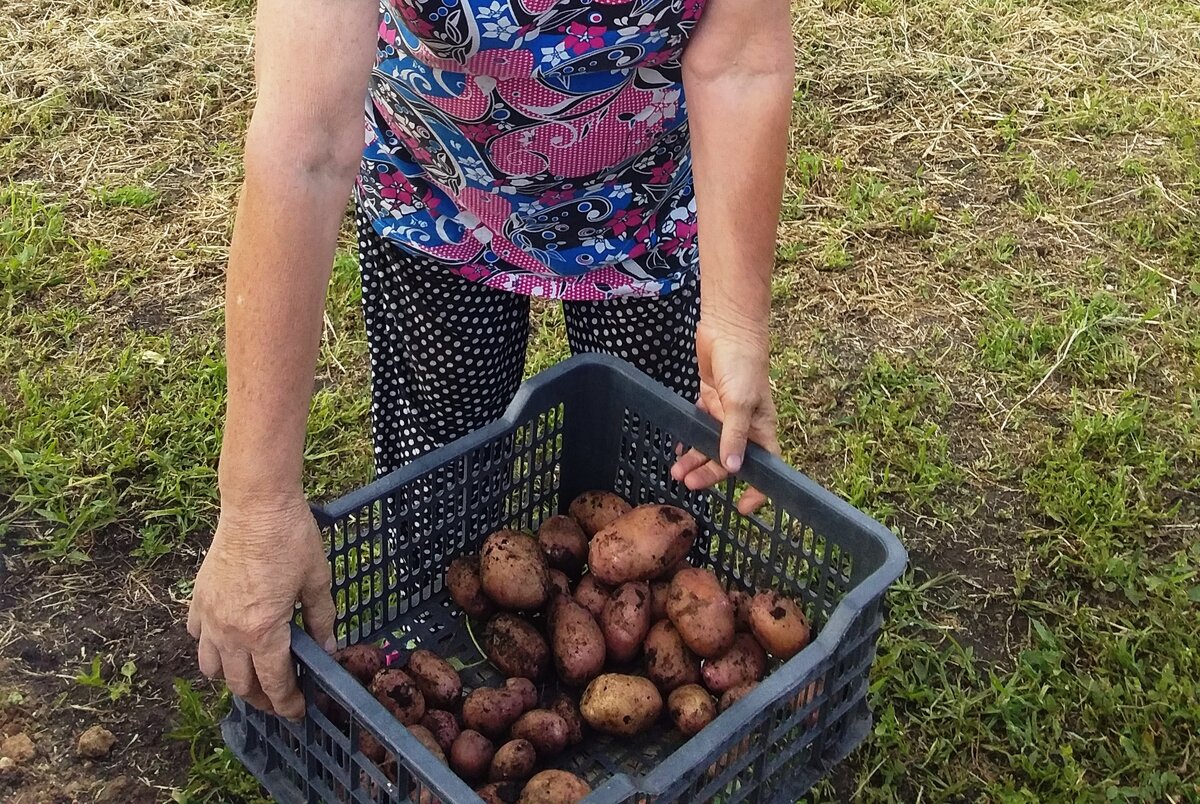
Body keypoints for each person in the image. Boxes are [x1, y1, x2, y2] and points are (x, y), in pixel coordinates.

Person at [187, 0, 794, 721]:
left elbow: (741, 65)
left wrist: (736, 324)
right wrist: (257, 504)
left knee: (657, 481)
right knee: (443, 475)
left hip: (649, 201)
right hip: (438, 190)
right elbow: (304, 150)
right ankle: (446, 633)